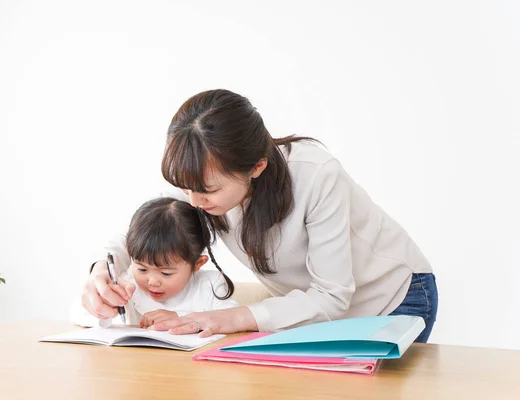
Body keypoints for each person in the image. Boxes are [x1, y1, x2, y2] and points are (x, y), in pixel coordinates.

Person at [82, 89, 438, 342]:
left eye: (206, 190)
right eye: (185, 186)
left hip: (393, 299)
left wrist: (228, 319)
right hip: (310, 312)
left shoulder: (316, 175)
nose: (192, 201)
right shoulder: (201, 186)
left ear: (257, 167)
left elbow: (332, 295)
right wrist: (103, 268)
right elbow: (150, 226)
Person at [75, 197, 238, 329]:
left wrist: (180, 318)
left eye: (166, 273)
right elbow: (78, 315)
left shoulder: (211, 285)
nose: (152, 281)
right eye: (142, 269)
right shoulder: (128, 285)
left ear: (197, 264)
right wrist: (103, 308)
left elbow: (234, 319)